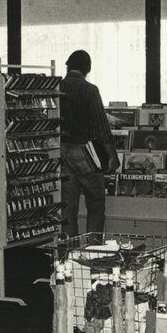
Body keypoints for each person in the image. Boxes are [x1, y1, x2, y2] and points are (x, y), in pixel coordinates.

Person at [59, 50, 118, 236]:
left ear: (68, 66)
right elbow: (102, 127)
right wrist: (112, 156)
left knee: (68, 208)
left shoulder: (55, 88)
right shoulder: (90, 90)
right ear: (87, 68)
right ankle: (93, 251)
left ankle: (69, 254)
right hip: (87, 152)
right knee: (95, 203)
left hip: (61, 151)